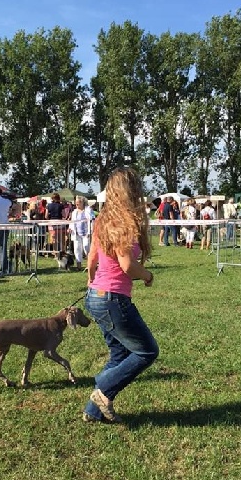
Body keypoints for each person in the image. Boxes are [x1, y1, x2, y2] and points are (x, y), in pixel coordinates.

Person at [83, 168, 159, 424]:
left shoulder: (103, 219)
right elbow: (127, 266)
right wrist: (147, 275)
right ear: (132, 190)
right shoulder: (125, 222)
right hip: (113, 299)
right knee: (147, 352)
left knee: (119, 355)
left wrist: (92, 285)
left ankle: (93, 412)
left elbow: (92, 259)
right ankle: (103, 386)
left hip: (96, 296)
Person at [69, 196, 95, 269]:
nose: (77, 203)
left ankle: (90, 265)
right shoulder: (74, 212)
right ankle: (78, 266)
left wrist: (90, 232)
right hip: (76, 233)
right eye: (76, 202)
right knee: (77, 249)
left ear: (83, 202)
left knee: (86, 247)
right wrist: (70, 228)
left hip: (86, 233)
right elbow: (72, 222)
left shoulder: (88, 210)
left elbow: (92, 221)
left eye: (79, 202)